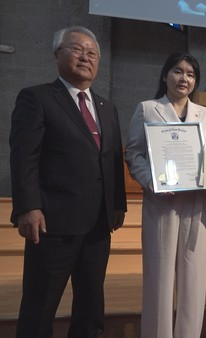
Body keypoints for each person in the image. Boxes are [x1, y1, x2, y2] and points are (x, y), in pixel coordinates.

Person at [9, 26, 127, 338]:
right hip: (52, 223)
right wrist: (28, 207)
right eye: (77, 49)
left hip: (98, 225)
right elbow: (24, 156)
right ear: (57, 55)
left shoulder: (107, 107)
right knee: (40, 307)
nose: (85, 57)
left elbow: (114, 159)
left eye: (92, 53)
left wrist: (118, 205)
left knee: (91, 307)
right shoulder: (37, 98)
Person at [125, 52, 206, 338]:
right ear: (165, 75)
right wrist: (151, 181)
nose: (184, 78)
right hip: (161, 204)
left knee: (193, 282)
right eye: (178, 71)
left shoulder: (205, 115)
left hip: (196, 206)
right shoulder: (147, 109)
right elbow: (134, 154)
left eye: (191, 74)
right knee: (160, 280)